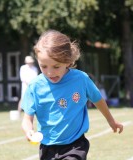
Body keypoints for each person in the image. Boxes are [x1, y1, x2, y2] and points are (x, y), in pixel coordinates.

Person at [21, 30, 123, 160]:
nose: (50, 72)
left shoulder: (81, 79)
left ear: (68, 61)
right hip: (48, 146)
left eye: (56, 67)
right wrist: (28, 130)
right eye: (44, 66)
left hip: (75, 145)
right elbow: (27, 119)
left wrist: (111, 121)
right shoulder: (35, 86)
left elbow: (98, 99)